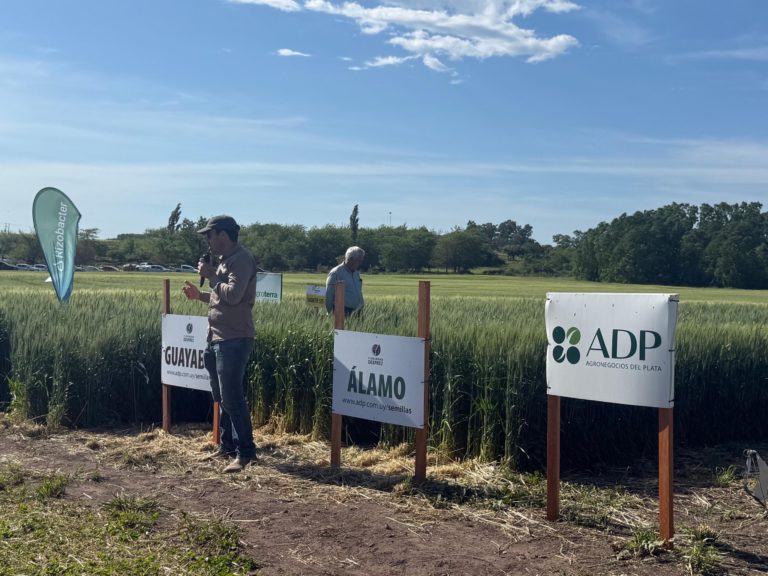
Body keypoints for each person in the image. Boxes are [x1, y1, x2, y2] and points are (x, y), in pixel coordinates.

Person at [181, 215, 257, 473]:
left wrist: (211, 274)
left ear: (223, 235)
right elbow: (220, 296)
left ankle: (245, 453)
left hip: (234, 338)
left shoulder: (241, 260)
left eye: (209, 235)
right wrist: (200, 295)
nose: (208, 241)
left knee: (233, 397)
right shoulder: (226, 261)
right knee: (221, 396)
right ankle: (227, 446)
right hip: (216, 337)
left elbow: (234, 296)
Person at [325, 246, 365, 315]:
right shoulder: (336, 273)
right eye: (359, 261)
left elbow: (359, 291)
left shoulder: (356, 273)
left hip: (357, 312)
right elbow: (329, 295)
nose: (360, 264)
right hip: (342, 312)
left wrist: (361, 304)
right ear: (351, 259)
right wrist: (331, 314)